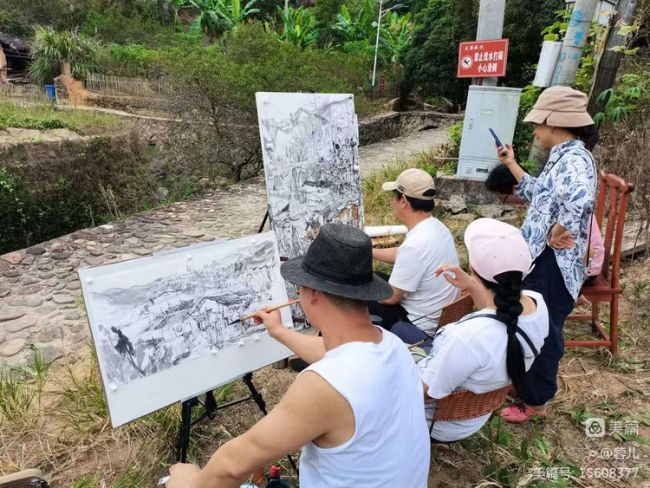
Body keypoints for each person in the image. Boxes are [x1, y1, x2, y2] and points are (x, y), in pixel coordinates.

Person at [167, 223, 430, 488]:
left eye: (299, 288)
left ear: (314, 293)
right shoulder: (392, 345)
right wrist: (279, 331)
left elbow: (233, 465)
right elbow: (336, 355)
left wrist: (188, 481)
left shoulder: (324, 386)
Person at [496, 85, 598, 423]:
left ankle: (536, 400)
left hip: (556, 262)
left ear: (554, 123)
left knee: (545, 326)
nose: (536, 130)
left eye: (538, 124)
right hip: (543, 256)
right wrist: (511, 164)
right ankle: (527, 385)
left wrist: (561, 228)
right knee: (535, 320)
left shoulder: (574, 160)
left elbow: (580, 200)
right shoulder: (564, 157)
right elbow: (539, 193)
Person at [419, 218, 549, 442]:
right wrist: (472, 285)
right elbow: (496, 315)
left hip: (438, 424)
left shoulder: (466, 338)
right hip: (476, 416)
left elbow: (425, 392)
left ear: (472, 267)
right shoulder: (538, 305)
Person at [371, 168, 460, 333]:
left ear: (403, 200)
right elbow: (406, 255)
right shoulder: (436, 227)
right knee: (372, 277)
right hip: (436, 312)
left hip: (417, 324)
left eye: (393, 197)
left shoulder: (415, 245)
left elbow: (391, 298)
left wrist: (362, 293)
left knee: (353, 299)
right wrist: (370, 252)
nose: (392, 202)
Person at [485, 164, 604, 281]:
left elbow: (546, 243)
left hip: (586, 267)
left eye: (504, 199)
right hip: (575, 256)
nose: (507, 203)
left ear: (516, 189)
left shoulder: (546, 202)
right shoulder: (541, 191)